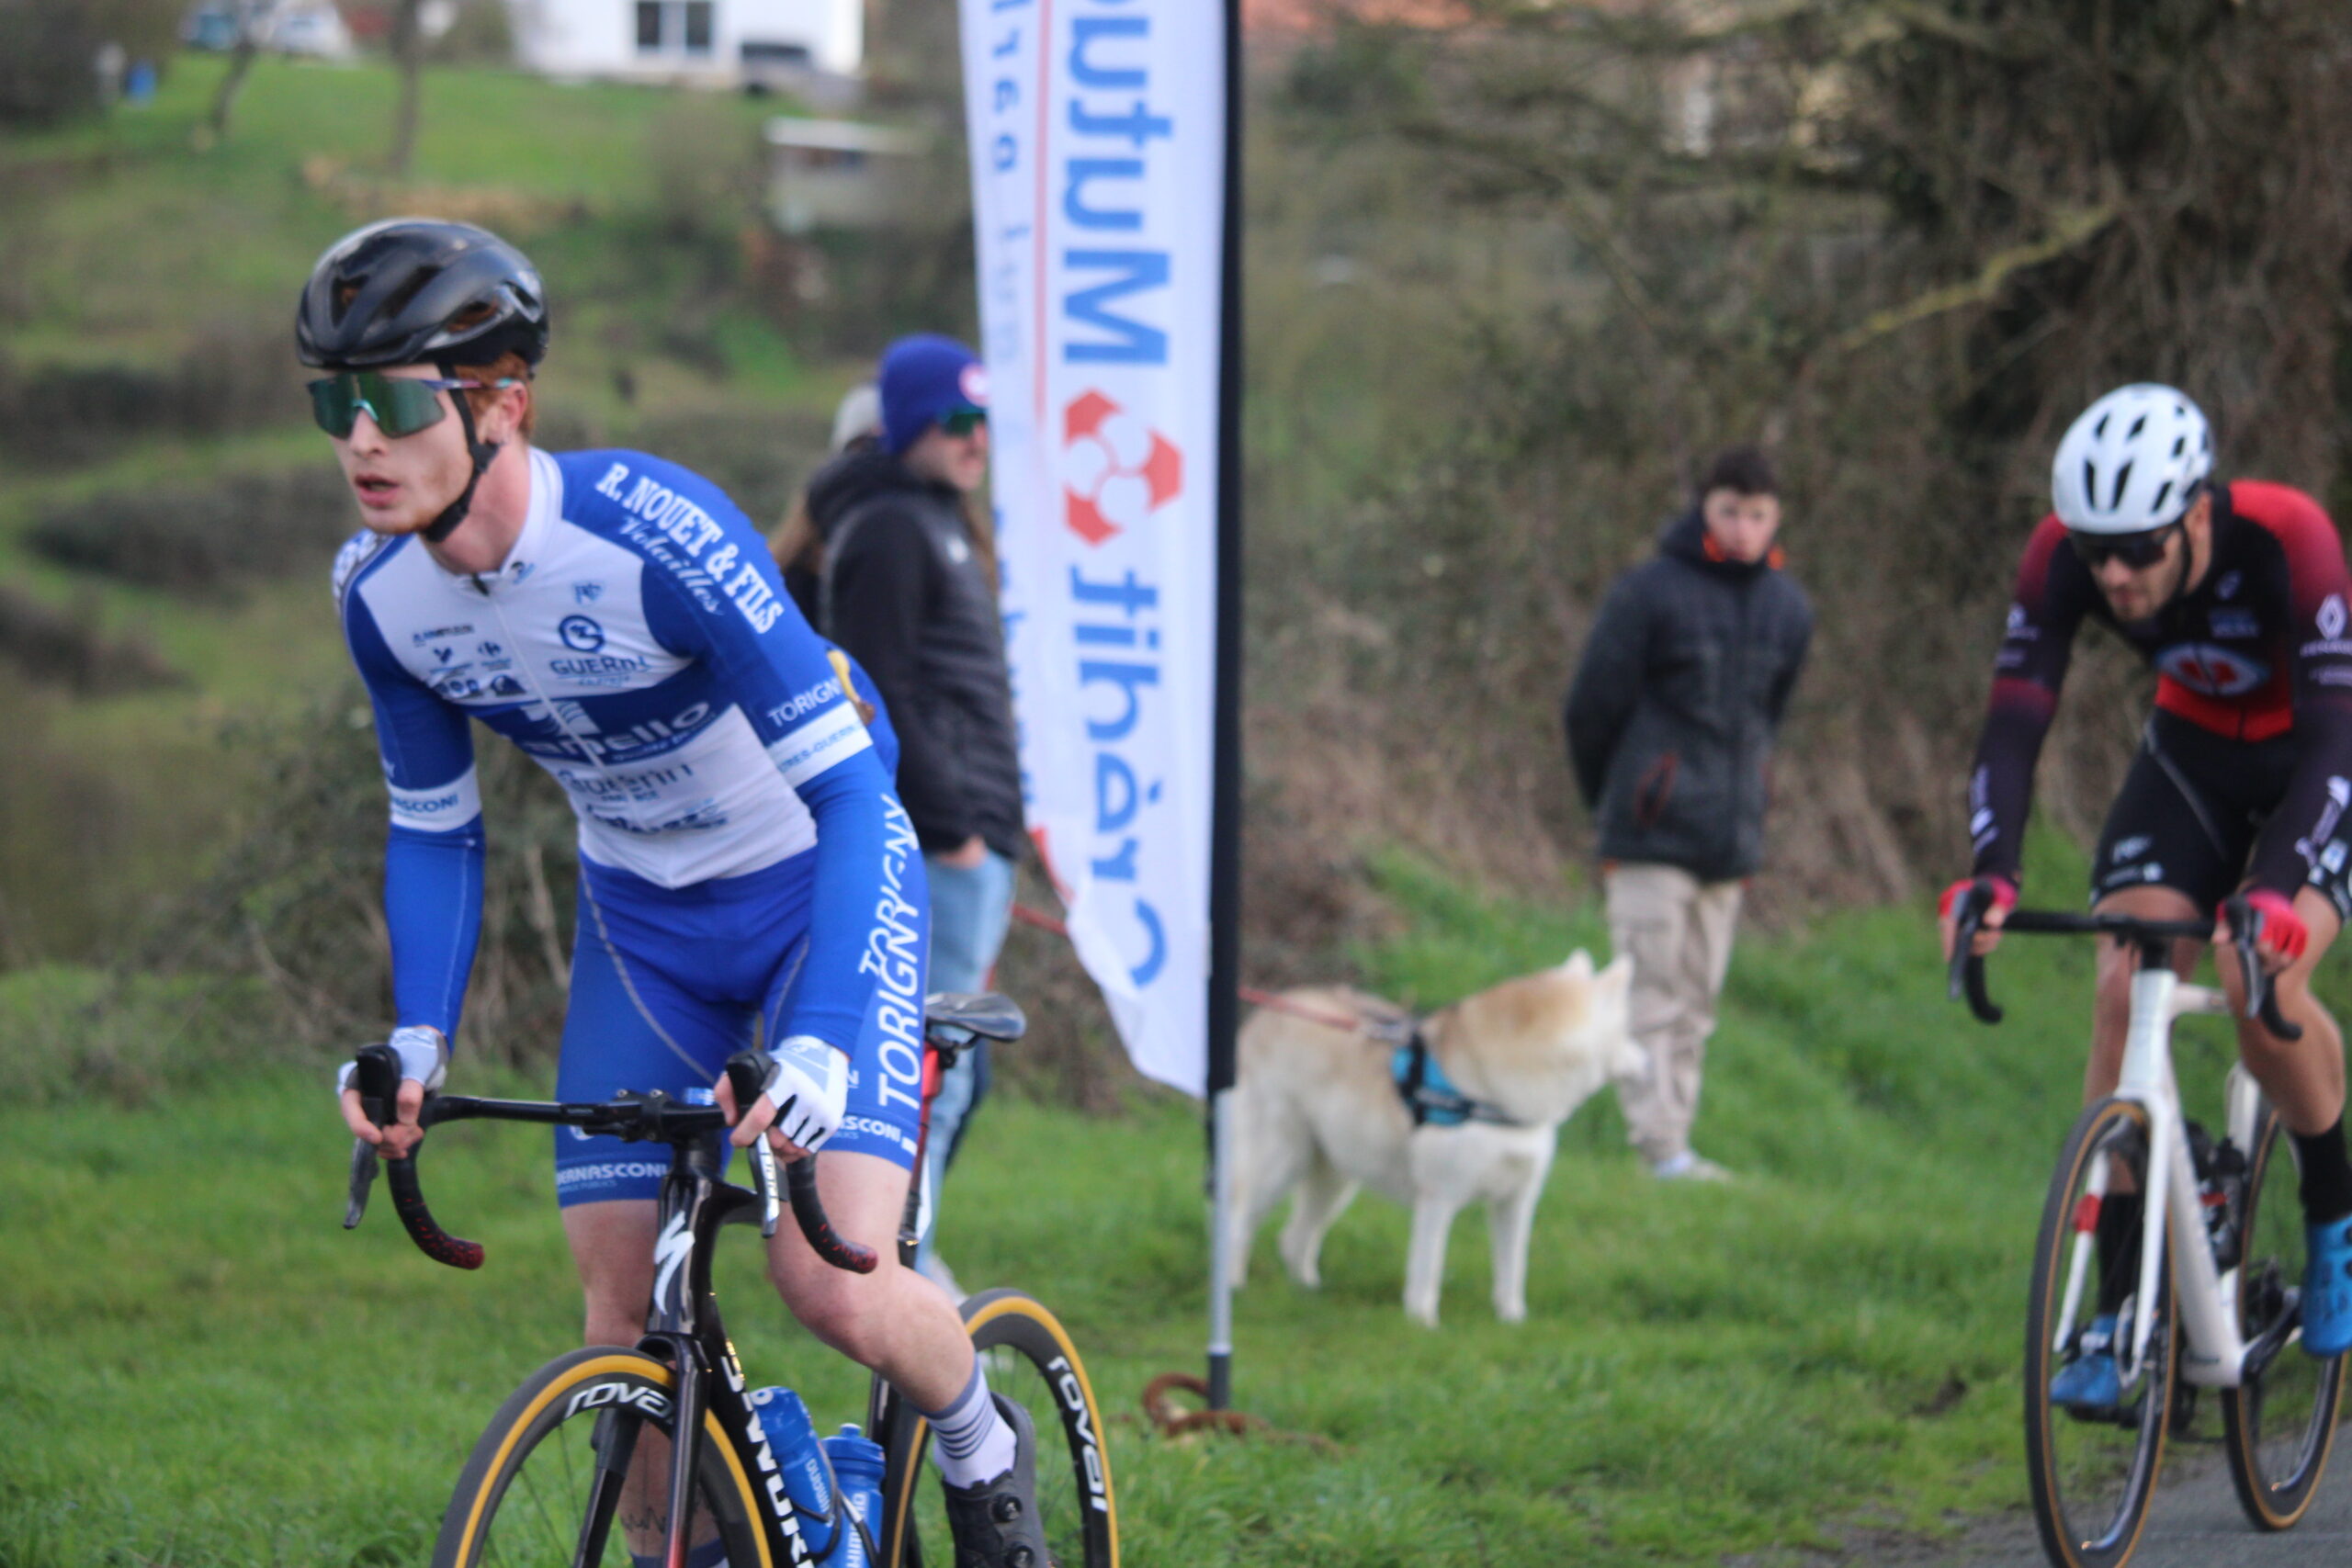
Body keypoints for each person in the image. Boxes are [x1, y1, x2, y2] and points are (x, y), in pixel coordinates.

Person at [304, 219, 1046, 1567]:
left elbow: (856, 799)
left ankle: (983, 1446)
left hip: (813, 884)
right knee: (620, 1312)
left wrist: (820, 1044)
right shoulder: (380, 597)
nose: (361, 439)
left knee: (832, 1280)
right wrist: (417, 1039)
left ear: (502, 404)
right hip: (644, 927)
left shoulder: (657, 534)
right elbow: (434, 826)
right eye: (334, 403)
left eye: (396, 403)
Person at [1942, 383, 2352, 1393]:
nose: (2115, 575)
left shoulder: (2288, 538)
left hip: (2317, 759)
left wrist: (2277, 885)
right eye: (2096, 554)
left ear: (2197, 515)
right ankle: (2119, 1307)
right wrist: (1992, 872)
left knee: (2257, 975)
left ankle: (2334, 1217)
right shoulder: (2061, 554)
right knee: (2124, 988)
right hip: (2193, 757)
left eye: (2137, 550)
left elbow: (2334, 739)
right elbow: (2014, 721)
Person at [789, 335, 1024, 1292]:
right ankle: (897, 1267)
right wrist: (955, 829)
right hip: (940, 844)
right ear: (910, 422)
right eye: (957, 420)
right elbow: (878, 690)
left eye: (985, 421)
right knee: (932, 1068)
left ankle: (903, 1257)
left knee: (955, 1064)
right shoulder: (889, 525)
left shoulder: (932, 519)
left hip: (973, 840)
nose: (976, 440)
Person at [1564, 446, 1814, 1182]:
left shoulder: (1789, 608)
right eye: (1729, 511)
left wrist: (1753, 799)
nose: (1743, 528)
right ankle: (1658, 1149)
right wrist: (1622, 799)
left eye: (1758, 514)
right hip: (1650, 834)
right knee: (1649, 992)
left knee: (1696, 1002)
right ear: (1703, 508)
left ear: (1777, 518)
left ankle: (1674, 1145)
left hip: (1730, 842)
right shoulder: (1648, 593)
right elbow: (1589, 708)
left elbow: (1770, 720)